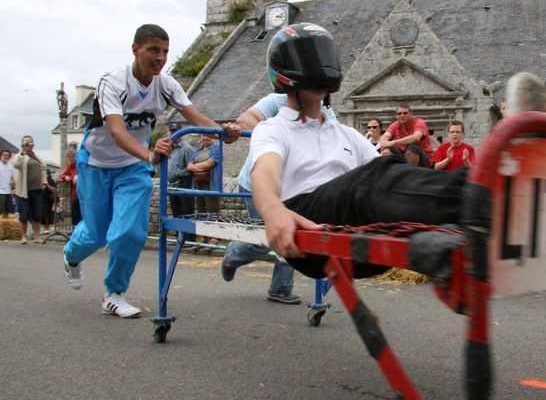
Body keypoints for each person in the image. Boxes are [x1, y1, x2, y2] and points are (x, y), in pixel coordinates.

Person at [246, 23, 467, 279]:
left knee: (389, 166)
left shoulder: (347, 134)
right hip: (304, 221)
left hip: (354, 227)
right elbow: (264, 172)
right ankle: (479, 197)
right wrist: (274, 211)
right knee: (368, 178)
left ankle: (467, 216)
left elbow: (389, 178)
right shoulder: (273, 128)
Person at [62, 24, 235, 318]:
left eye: (165, 51)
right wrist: (150, 154)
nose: (161, 58)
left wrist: (223, 131)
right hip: (96, 163)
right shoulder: (112, 82)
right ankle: (71, 256)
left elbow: (196, 117)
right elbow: (116, 131)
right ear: (136, 50)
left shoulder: (166, 85)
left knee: (130, 232)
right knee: (95, 234)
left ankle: (114, 293)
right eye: (154, 50)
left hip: (132, 167)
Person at [221, 92, 337, 304]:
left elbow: (336, 143)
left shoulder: (327, 111)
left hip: (292, 187)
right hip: (257, 182)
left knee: (291, 233)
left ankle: (280, 289)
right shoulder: (277, 101)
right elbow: (247, 119)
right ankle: (233, 253)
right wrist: (276, 141)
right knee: (266, 237)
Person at [187, 133, 220, 252]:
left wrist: (196, 166)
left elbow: (210, 163)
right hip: (198, 183)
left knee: (212, 211)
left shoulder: (216, 149)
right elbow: (189, 166)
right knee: (201, 211)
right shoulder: (197, 150)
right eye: (203, 135)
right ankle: (204, 237)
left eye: (208, 135)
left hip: (211, 184)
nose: (205, 137)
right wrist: (201, 167)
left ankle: (214, 237)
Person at [12, 135, 47, 244]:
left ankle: (37, 236)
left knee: (37, 214)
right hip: (24, 190)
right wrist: (22, 152)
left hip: (36, 189)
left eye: (30, 144)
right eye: (26, 144)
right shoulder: (20, 156)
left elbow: (43, 170)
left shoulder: (37, 157)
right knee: (24, 214)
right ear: (23, 144)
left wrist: (44, 182)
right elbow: (15, 164)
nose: (29, 146)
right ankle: (24, 236)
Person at [166, 122, 196, 244]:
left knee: (186, 211)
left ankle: (189, 238)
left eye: (176, 132)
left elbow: (191, 167)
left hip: (184, 181)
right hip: (172, 183)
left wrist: (178, 173)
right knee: (176, 211)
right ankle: (180, 238)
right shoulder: (170, 147)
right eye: (172, 132)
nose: (174, 134)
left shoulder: (187, 148)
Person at [60, 148, 82, 228]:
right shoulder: (70, 166)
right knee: (75, 212)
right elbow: (62, 175)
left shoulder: (80, 165)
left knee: (81, 212)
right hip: (74, 194)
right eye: (69, 157)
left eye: (72, 156)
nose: (71, 158)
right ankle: (75, 229)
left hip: (82, 193)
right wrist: (66, 177)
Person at [41, 169, 57, 234]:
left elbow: (54, 189)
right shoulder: (40, 179)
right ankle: (45, 228)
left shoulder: (50, 180)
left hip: (48, 200)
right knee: (43, 214)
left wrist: (47, 185)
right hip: (41, 199)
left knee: (48, 214)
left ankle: (47, 228)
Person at [0, 150, 14, 219]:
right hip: (0, 192)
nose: (6, 157)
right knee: (1, 212)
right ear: (1, 156)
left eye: (8, 155)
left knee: (9, 211)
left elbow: (12, 177)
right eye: (4, 155)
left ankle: (6, 227)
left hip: (8, 192)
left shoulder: (10, 165)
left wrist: (13, 187)